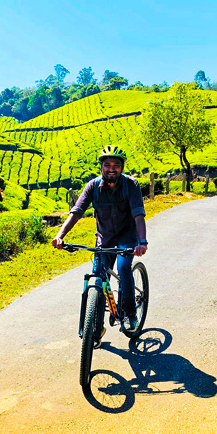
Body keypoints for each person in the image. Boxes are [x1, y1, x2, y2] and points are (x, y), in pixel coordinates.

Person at [52, 145, 148, 345]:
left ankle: (130, 313)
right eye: (107, 165)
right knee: (98, 278)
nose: (111, 169)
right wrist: (60, 235)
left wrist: (142, 241)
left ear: (121, 168)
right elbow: (77, 211)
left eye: (116, 165)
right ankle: (95, 329)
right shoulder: (93, 187)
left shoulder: (131, 185)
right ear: (101, 167)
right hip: (104, 239)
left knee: (123, 268)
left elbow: (138, 213)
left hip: (127, 237)